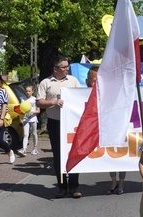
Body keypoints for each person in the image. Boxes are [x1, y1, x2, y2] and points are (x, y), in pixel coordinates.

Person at [37, 55, 82, 198]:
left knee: (74, 153)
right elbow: (39, 102)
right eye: (64, 67)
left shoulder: (73, 81)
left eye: (67, 66)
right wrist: (53, 103)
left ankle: (74, 187)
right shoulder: (45, 82)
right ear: (55, 69)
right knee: (58, 156)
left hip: (72, 123)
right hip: (55, 123)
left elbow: (81, 97)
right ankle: (62, 187)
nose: (67, 69)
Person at [86, 64, 127, 195]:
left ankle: (121, 183)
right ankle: (113, 181)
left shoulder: (113, 91)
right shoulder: (84, 93)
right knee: (109, 154)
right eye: (94, 80)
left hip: (117, 125)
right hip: (103, 128)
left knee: (121, 155)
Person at [19, 84, 40, 156]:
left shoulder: (35, 99)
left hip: (33, 118)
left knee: (34, 133)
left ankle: (35, 148)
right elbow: (21, 109)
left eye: (29, 91)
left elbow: (38, 111)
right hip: (25, 119)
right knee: (25, 134)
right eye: (26, 91)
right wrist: (22, 111)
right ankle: (24, 149)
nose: (27, 92)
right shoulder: (23, 99)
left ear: (32, 92)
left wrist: (32, 112)